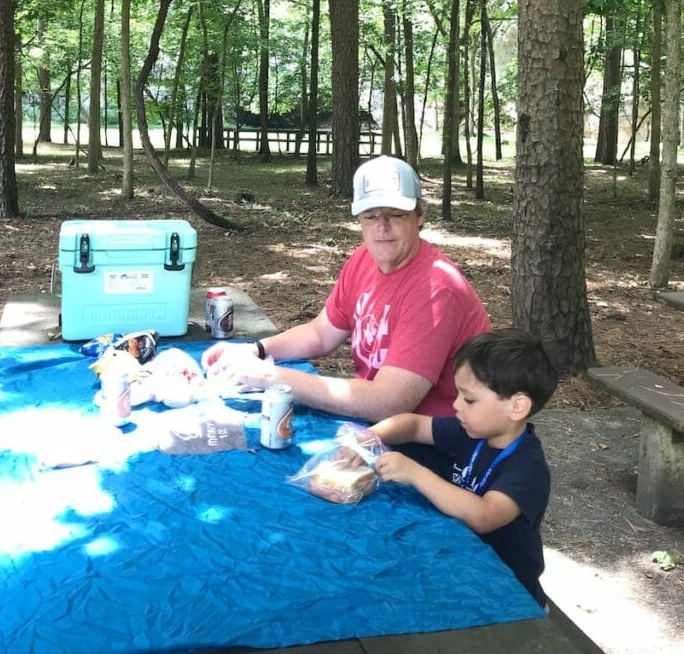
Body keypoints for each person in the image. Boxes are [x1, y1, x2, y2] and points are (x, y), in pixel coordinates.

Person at [202, 154, 491, 421]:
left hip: (439, 447)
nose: (382, 226)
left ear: (420, 216)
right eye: (370, 215)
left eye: (396, 214)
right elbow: (320, 334)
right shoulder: (364, 258)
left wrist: (269, 377)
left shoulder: (435, 290)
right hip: (382, 427)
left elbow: (390, 402)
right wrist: (256, 350)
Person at [365, 328, 558, 606]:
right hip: (460, 568)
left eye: (469, 399)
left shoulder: (527, 469)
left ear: (517, 407)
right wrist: (370, 437)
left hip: (507, 594)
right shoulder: (472, 432)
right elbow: (413, 424)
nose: (456, 405)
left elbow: (484, 516)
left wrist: (414, 473)